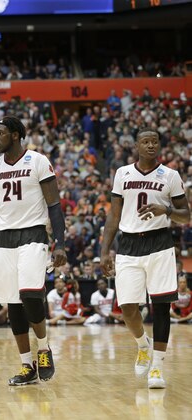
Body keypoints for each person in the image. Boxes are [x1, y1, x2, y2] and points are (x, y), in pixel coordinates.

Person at [0, 115, 67, 386]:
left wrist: (59, 244)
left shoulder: (37, 161)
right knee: (13, 303)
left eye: (0, 133)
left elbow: (54, 206)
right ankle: (27, 366)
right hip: (3, 239)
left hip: (34, 234)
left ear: (15, 135)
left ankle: (44, 348)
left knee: (29, 293)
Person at [100, 128, 190, 389]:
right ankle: (143, 345)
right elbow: (113, 216)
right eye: (145, 142)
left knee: (161, 307)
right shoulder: (122, 174)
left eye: (154, 142)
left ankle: (158, 367)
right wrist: (105, 251)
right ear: (136, 145)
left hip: (159, 242)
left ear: (159, 145)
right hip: (128, 244)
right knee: (128, 308)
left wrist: (167, 209)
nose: (150, 145)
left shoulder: (170, 176)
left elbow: (186, 215)